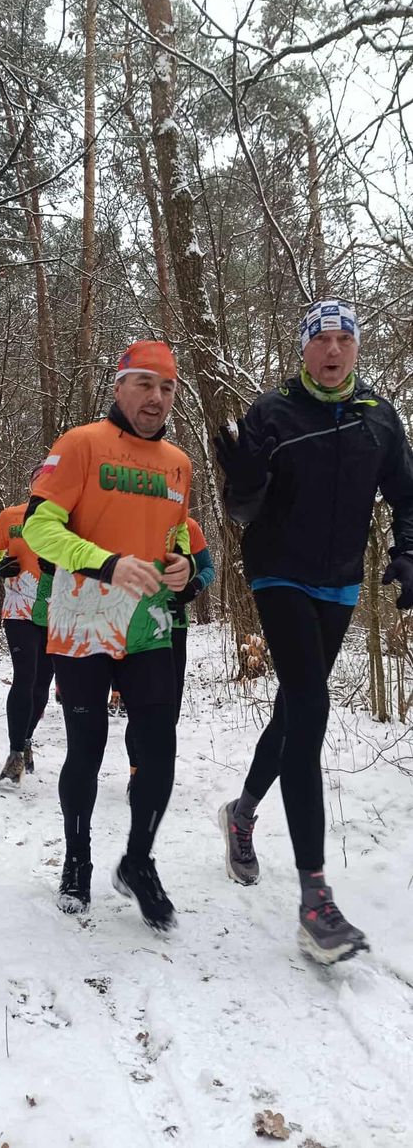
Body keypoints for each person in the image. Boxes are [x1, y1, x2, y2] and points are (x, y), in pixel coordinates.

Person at [215, 298, 413, 965]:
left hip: (340, 581)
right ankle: (315, 901)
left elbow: (408, 495)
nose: (333, 350)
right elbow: (241, 509)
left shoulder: (379, 418)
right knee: (311, 706)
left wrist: (408, 552)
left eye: (344, 340)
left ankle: (241, 814)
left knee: (294, 710)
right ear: (303, 349)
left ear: (356, 350)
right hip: (278, 573)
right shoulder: (272, 412)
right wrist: (244, 485)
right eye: (321, 339)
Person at [22, 340, 194, 930]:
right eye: (144, 383)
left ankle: (138, 861)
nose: (156, 397)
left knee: (159, 749)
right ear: (119, 386)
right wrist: (105, 562)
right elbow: (39, 528)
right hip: (82, 619)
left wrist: (183, 567)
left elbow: (175, 538)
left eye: (166, 387)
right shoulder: (81, 444)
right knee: (87, 748)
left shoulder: (179, 463)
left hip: (148, 624)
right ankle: (77, 859)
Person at [125, 515, 215, 793]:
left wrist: (194, 586)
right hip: (137, 623)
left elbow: (208, 568)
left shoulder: (188, 526)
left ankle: (152, 766)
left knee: (169, 706)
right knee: (140, 704)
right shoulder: (135, 517)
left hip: (174, 625)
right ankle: (137, 772)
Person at [0, 466, 55, 784]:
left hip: (57, 611)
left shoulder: (72, 520)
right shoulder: (11, 516)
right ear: (31, 486)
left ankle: (26, 739)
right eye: (40, 481)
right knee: (25, 677)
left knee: (42, 684)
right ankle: (14, 754)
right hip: (18, 609)